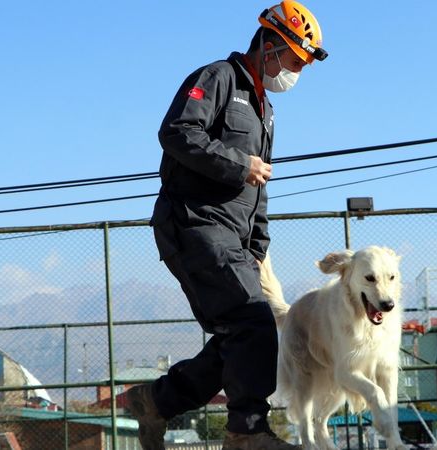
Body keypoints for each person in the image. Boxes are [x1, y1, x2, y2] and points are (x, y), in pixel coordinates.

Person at [126, 2, 328, 449]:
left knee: (240, 338)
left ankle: (155, 401)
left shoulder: (265, 110)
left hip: (233, 237)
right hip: (194, 222)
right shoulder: (217, 78)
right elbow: (178, 132)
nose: (295, 73)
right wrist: (239, 164)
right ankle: (246, 433)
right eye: (295, 62)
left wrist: (258, 245)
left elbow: (260, 183)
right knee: (251, 321)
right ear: (271, 46)